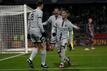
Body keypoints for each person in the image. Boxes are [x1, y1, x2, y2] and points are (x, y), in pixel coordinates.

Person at [27, 0, 48, 68]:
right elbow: (39, 23)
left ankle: (30, 59)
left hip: (31, 31)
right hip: (37, 31)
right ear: (41, 5)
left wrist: (28, 33)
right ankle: (43, 64)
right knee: (43, 47)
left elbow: (28, 23)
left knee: (36, 47)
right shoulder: (39, 11)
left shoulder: (31, 12)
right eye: (43, 5)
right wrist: (43, 32)